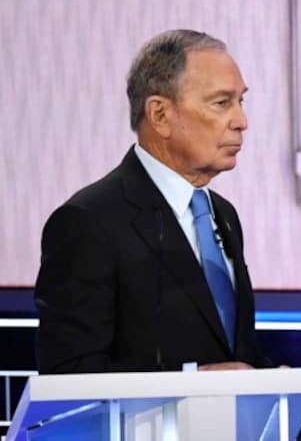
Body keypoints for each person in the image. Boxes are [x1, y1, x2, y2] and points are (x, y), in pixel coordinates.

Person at [35, 30, 270, 373]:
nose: (241, 121)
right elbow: (69, 376)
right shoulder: (87, 222)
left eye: (241, 101)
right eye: (222, 103)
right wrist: (189, 383)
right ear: (160, 114)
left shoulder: (224, 215)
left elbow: (234, 355)